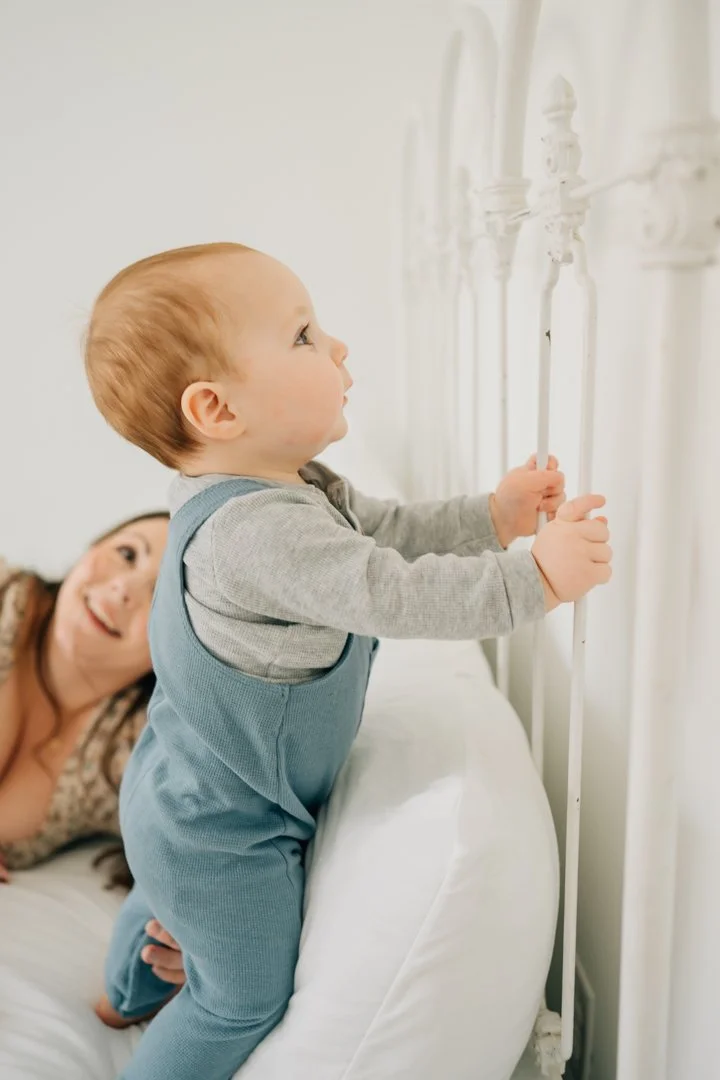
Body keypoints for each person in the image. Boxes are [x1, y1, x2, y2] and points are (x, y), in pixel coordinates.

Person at [84, 241, 612, 1080]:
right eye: (303, 335)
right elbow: (390, 591)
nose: (338, 348)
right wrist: (533, 580)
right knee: (237, 999)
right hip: (225, 833)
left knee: (164, 893)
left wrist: (491, 516)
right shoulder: (257, 535)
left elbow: (386, 534)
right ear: (218, 410)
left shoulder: (289, 488)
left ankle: (121, 991)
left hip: (176, 791)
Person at [0, 513, 186, 987]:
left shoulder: (130, 750)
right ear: (92, 546)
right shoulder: (6, 597)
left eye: (160, 596)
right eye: (127, 554)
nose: (125, 589)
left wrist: (194, 951)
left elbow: (220, 851)